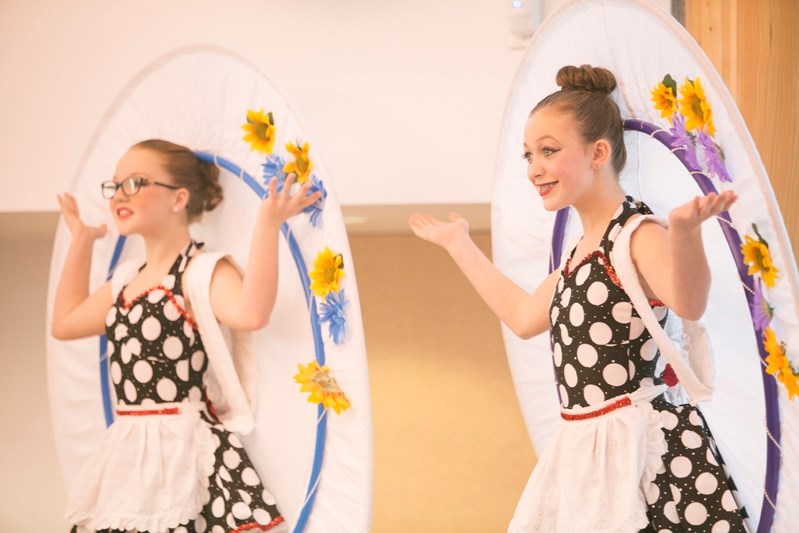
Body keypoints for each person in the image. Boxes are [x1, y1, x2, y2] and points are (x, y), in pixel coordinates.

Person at [409, 65, 749, 532]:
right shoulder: (577, 256)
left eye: (548, 151)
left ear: (599, 152)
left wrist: (685, 233)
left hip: (643, 453)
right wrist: (458, 244)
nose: (534, 169)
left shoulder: (636, 234)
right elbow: (524, 317)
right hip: (592, 452)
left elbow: (688, 303)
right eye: (528, 155)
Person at [52, 139, 321, 532]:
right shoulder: (125, 280)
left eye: (136, 182)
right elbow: (65, 323)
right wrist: (81, 241)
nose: (119, 195)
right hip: (129, 454)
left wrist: (268, 223)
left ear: (178, 199)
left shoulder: (201, 271)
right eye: (115, 185)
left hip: (183, 455)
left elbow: (252, 312)